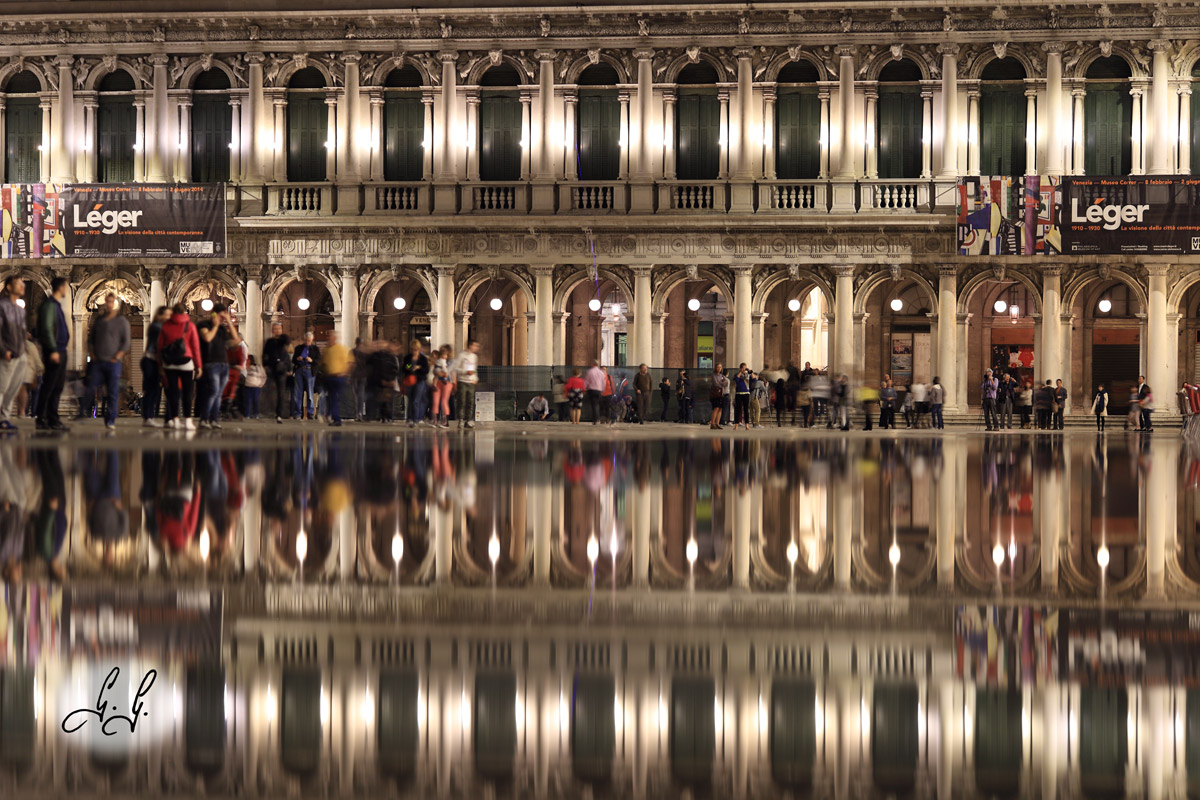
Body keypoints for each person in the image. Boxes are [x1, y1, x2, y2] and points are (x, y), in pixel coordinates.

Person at [86, 292, 130, 431]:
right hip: (98, 361)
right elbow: (91, 338)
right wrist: (92, 354)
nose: (109, 304)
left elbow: (126, 342)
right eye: (107, 302)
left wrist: (117, 356)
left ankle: (110, 420)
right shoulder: (99, 320)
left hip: (113, 363)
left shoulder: (121, 321)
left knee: (112, 391)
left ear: (115, 304)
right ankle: (83, 412)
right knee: (91, 386)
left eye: (112, 302)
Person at [193, 303, 239, 430]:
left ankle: (213, 420)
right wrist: (215, 325)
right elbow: (207, 338)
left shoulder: (222, 329)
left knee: (219, 394)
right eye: (221, 316)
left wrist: (229, 322)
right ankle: (204, 419)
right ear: (214, 314)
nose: (222, 318)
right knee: (212, 391)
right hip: (210, 363)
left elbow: (235, 341)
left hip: (223, 364)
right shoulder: (204, 325)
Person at [157, 302, 201, 431]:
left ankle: (175, 419)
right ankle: (187, 420)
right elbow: (195, 348)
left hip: (169, 364)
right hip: (186, 363)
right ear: (184, 312)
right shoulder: (190, 325)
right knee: (187, 393)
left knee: (173, 393)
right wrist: (199, 366)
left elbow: (160, 347)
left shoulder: (165, 326)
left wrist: (160, 365)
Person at [35, 276, 70, 433]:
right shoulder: (50, 305)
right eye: (66, 287)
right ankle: (42, 418)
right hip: (55, 350)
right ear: (61, 288)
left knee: (57, 386)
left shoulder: (55, 305)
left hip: (60, 350)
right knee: (49, 385)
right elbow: (48, 328)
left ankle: (52, 418)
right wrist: (53, 349)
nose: (67, 290)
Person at [0, 276, 27, 432]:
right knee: (2, 387)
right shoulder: (2, 306)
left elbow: (22, 333)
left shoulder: (19, 310)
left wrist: (23, 351)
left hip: (20, 354)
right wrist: (4, 350)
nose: (22, 286)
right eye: (18, 283)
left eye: (22, 283)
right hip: (7, 353)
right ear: (9, 287)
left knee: (13, 387)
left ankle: (4, 418)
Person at [141, 305, 171, 427]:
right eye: (167, 315)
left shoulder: (156, 327)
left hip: (151, 360)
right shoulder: (158, 327)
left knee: (152, 390)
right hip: (152, 361)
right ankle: (148, 417)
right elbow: (159, 347)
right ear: (160, 315)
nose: (169, 317)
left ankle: (149, 416)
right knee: (152, 389)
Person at [262, 323, 292, 423]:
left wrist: (287, 368)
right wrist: (265, 365)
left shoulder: (283, 340)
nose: (277, 330)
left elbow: (287, 341)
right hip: (271, 368)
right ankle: (268, 411)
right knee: (269, 390)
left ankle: (279, 414)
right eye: (275, 329)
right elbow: (265, 354)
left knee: (281, 392)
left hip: (281, 369)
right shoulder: (269, 342)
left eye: (279, 329)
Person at [320, 331, 351, 426]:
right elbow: (323, 363)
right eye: (328, 337)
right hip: (329, 377)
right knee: (330, 397)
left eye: (330, 337)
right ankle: (330, 414)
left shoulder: (341, 349)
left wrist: (345, 373)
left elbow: (348, 363)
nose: (329, 338)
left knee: (334, 397)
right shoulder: (326, 350)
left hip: (338, 377)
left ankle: (336, 418)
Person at [291, 330, 319, 420]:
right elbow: (293, 360)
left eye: (309, 341)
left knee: (310, 393)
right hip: (299, 369)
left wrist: (312, 360)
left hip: (309, 371)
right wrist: (297, 358)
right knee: (298, 393)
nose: (307, 342)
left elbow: (318, 361)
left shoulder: (315, 349)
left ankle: (310, 413)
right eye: (306, 340)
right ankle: (298, 413)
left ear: (312, 340)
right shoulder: (299, 348)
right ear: (304, 339)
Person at [401, 340, 430, 427]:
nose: (414, 351)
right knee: (410, 400)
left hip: (419, 381)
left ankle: (415, 419)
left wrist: (419, 368)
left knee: (416, 401)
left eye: (416, 349)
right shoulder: (408, 357)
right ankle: (409, 418)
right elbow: (405, 367)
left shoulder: (423, 359)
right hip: (409, 380)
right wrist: (409, 367)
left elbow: (426, 370)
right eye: (413, 349)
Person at [453, 340, 481, 429]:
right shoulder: (462, 355)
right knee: (462, 400)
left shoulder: (474, 357)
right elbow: (456, 368)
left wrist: (475, 377)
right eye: (475, 346)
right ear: (470, 345)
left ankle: (468, 420)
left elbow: (475, 369)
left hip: (471, 382)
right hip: (462, 381)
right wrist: (465, 372)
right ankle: (461, 419)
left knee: (470, 401)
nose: (476, 348)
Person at [19, 331, 42, 420]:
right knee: (35, 393)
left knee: (24, 392)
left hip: (23, 372)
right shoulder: (34, 345)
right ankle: (33, 412)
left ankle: (23, 412)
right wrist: (41, 368)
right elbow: (37, 359)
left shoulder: (19, 344)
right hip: (35, 372)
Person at [432, 344, 455, 428]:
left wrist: (441, 373)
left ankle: (445, 421)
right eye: (442, 352)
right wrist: (438, 372)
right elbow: (434, 371)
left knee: (444, 401)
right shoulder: (438, 360)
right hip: (438, 382)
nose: (443, 354)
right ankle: (435, 420)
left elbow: (447, 372)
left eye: (445, 352)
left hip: (447, 382)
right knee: (435, 400)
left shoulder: (451, 361)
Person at [351, 337, 370, 422]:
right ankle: (360, 413)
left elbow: (350, 363)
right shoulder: (365, 353)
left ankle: (357, 414)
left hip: (355, 375)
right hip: (363, 375)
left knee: (356, 395)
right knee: (361, 395)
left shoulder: (352, 352)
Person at [243, 355, 266, 419]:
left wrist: (261, 384)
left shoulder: (258, 367)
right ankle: (247, 414)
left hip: (256, 386)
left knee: (256, 400)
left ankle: (256, 414)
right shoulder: (245, 367)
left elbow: (263, 376)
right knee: (247, 401)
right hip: (247, 385)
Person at [584, 360, 606, 425]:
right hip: (599, 390)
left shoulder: (590, 371)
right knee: (597, 404)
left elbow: (586, 381)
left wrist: (584, 389)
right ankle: (598, 418)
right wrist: (603, 390)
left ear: (593, 364)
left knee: (593, 405)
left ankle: (595, 419)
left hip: (592, 390)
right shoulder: (601, 372)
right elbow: (603, 382)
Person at [709, 364, 728, 430]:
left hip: (721, 393)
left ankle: (717, 423)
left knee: (720, 408)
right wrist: (722, 383)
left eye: (720, 367)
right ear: (715, 368)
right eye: (718, 367)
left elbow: (726, 383)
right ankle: (712, 423)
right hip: (715, 393)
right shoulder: (713, 375)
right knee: (716, 408)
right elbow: (715, 383)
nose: (719, 368)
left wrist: (722, 383)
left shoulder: (722, 375)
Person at [732, 363, 751, 430]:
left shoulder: (747, 375)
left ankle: (747, 425)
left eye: (745, 368)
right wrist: (740, 372)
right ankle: (736, 424)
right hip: (739, 393)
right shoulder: (737, 375)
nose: (744, 369)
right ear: (740, 368)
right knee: (738, 409)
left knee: (746, 410)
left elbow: (754, 379)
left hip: (746, 393)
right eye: (743, 368)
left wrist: (749, 371)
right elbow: (736, 379)